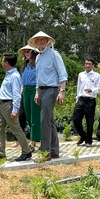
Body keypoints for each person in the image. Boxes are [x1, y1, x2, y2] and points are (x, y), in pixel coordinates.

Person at [31, 31, 68, 161]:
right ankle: (54, 150)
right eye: (39, 40)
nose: (41, 42)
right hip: (41, 90)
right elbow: (38, 76)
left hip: (51, 89)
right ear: (35, 43)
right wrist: (37, 91)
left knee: (44, 121)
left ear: (47, 41)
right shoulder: (38, 57)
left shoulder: (54, 54)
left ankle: (45, 152)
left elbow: (62, 73)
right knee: (49, 121)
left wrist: (62, 91)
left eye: (43, 40)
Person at [0, 53, 33, 161]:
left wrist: (15, 110)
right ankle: (0, 153)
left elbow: (16, 94)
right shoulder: (8, 74)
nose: (1, 62)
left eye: (3, 61)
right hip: (2, 104)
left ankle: (26, 151)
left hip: (9, 105)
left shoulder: (15, 76)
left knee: (16, 129)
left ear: (6, 63)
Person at [71, 58, 100, 147]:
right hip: (81, 99)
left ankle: (89, 140)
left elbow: (99, 88)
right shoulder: (81, 75)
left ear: (93, 65)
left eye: (89, 64)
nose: (87, 65)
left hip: (90, 100)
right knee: (76, 119)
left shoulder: (96, 75)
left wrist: (92, 90)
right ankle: (83, 136)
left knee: (89, 121)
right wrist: (77, 98)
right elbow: (78, 87)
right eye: (86, 63)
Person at [18, 45, 40, 149]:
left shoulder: (37, 65)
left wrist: (37, 92)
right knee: (27, 114)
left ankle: (33, 141)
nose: (26, 54)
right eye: (25, 52)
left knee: (34, 116)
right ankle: (33, 139)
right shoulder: (25, 66)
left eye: (28, 52)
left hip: (33, 89)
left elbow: (39, 79)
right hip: (25, 90)